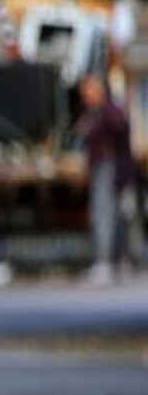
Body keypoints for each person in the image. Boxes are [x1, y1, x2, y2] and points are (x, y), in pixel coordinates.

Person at [76, 75, 136, 285]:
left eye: (89, 91)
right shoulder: (94, 113)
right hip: (106, 168)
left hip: (109, 168)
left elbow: (120, 131)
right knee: (112, 215)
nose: (86, 96)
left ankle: (105, 263)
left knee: (106, 215)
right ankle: (115, 261)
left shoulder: (108, 112)